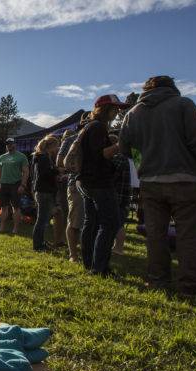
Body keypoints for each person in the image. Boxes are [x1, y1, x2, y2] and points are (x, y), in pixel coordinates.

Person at [119, 76, 196, 294]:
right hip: (185, 179)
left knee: (155, 234)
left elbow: (125, 149)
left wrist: (144, 162)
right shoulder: (184, 105)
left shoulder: (133, 114)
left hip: (151, 182)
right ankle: (191, 284)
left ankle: (158, 279)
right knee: (188, 234)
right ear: (172, 88)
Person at [78, 95, 128, 275]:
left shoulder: (88, 127)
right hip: (100, 182)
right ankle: (99, 268)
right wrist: (121, 144)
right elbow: (102, 155)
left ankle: (90, 263)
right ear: (105, 109)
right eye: (114, 109)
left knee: (91, 222)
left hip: (87, 181)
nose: (117, 112)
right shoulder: (98, 127)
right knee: (110, 224)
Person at [58, 113, 89, 261]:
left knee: (90, 222)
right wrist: (75, 167)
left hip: (97, 185)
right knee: (75, 220)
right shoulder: (71, 139)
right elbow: (59, 161)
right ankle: (73, 254)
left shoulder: (101, 138)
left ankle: (88, 253)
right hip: (77, 184)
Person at [31, 136, 62, 251]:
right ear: (51, 146)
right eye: (56, 145)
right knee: (42, 220)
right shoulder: (43, 158)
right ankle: (38, 245)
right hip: (44, 191)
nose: (57, 148)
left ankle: (40, 242)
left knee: (43, 219)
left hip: (42, 191)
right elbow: (45, 174)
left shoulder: (41, 157)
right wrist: (57, 171)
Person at [0, 137, 29, 234]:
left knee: (16, 207)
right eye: (7, 144)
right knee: (3, 207)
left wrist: (23, 185)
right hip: (3, 184)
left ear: (15, 144)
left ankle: (15, 229)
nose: (9, 145)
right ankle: (2, 227)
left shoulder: (21, 156)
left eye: (11, 143)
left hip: (15, 184)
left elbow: (26, 172)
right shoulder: (2, 157)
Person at [109, 134, 132, 255]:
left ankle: (118, 248)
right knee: (119, 222)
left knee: (118, 223)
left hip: (118, 195)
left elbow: (110, 176)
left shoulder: (118, 157)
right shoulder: (127, 157)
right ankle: (117, 247)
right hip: (125, 195)